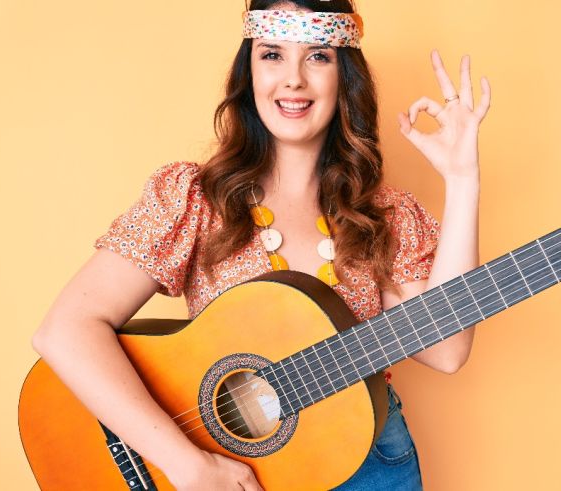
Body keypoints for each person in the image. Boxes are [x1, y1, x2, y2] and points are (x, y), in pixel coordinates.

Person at [32, 0, 490, 489]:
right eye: (272, 54)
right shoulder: (195, 199)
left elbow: (446, 350)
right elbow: (66, 330)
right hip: (228, 476)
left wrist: (462, 180)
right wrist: (186, 464)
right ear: (248, 72)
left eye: (318, 56)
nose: (293, 79)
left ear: (344, 77)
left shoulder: (384, 215)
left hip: (368, 464)